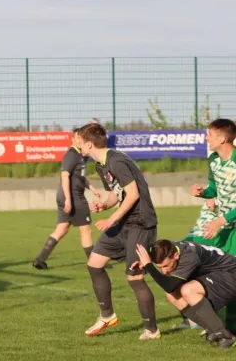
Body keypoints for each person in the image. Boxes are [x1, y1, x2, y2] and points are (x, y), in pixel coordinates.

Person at [78, 123, 159, 340]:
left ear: (88, 143)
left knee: (135, 277)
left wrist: (111, 218)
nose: (77, 144)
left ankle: (152, 330)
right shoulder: (101, 164)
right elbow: (117, 192)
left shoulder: (116, 160)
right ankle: (107, 315)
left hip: (140, 223)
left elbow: (132, 194)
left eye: (79, 140)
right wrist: (105, 205)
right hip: (122, 223)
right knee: (94, 264)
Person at [176, 119, 236, 332]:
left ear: (222, 138)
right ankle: (205, 316)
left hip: (230, 226)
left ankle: (230, 327)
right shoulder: (213, 159)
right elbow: (215, 189)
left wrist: (222, 219)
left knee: (233, 274)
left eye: (209, 134)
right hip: (222, 225)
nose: (206, 138)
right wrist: (204, 193)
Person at [133, 240, 236, 349]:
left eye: (166, 265)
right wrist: (146, 264)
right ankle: (213, 330)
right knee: (172, 296)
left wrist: (149, 266)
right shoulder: (171, 249)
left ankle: (225, 336)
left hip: (231, 274)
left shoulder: (189, 256)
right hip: (218, 274)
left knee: (188, 290)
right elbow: (170, 289)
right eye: (160, 267)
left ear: (176, 255)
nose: (164, 271)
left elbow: (169, 286)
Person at [32, 128, 102, 270]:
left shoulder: (81, 155)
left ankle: (40, 260)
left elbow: (79, 177)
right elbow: (65, 176)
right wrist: (69, 200)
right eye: (77, 138)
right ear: (73, 139)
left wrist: (92, 188)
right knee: (85, 230)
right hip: (73, 197)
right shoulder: (71, 154)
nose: (79, 140)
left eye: (81, 138)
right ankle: (94, 262)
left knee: (62, 229)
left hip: (69, 196)